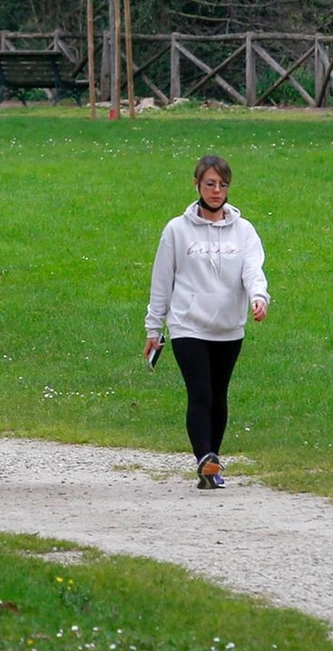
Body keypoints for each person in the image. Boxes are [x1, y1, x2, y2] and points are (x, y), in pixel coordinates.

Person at [144, 154, 270, 490]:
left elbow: (252, 271)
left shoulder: (244, 231)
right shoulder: (176, 230)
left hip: (229, 328)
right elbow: (162, 281)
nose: (217, 191)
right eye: (210, 184)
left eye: (222, 184)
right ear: (197, 184)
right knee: (200, 393)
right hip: (189, 325)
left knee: (219, 394)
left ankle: (211, 463)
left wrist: (260, 297)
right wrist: (154, 328)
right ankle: (204, 457)